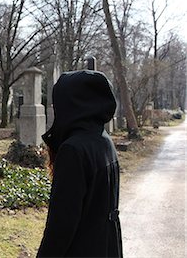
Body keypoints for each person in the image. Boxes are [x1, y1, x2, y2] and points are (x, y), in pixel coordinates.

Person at [37, 70, 123, 258]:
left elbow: (61, 225)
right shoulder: (103, 140)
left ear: (73, 104)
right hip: (106, 247)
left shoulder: (74, 149)